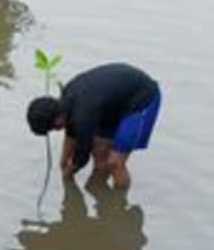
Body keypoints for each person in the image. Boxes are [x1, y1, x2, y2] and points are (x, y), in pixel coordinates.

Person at [27, 62, 161, 189]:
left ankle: (118, 205)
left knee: (115, 163)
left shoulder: (83, 117)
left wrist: (67, 175)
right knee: (100, 155)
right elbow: (71, 134)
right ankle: (100, 194)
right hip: (112, 103)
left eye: (53, 128)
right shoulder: (66, 102)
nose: (56, 130)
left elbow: (81, 157)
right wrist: (63, 161)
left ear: (57, 120)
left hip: (142, 99)